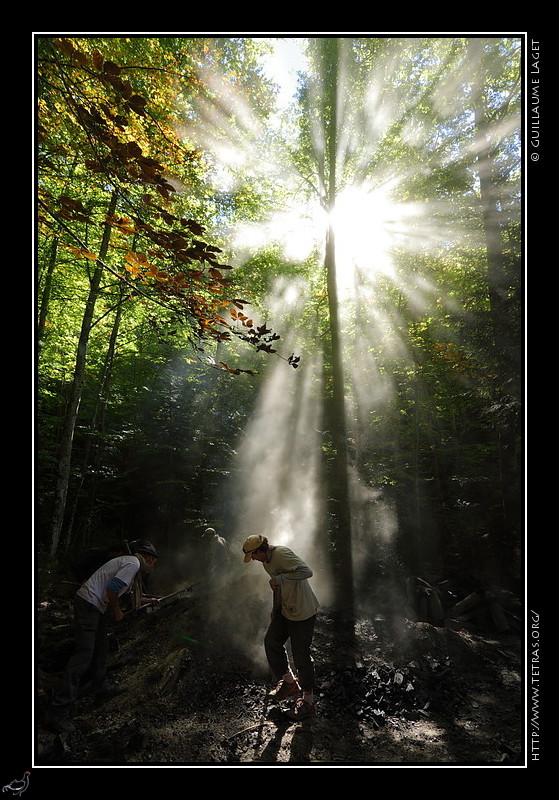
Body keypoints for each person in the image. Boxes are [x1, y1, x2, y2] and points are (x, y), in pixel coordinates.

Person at [46, 543, 159, 734]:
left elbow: (128, 594)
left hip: (95, 607)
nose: (153, 567)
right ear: (150, 559)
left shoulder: (130, 564)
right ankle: (58, 711)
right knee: (83, 655)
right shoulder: (133, 564)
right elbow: (113, 589)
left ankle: (100, 688)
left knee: (101, 649)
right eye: (154, 563)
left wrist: (149, 600)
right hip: (90, 604)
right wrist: (116, 611)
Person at [242, 534, 319, 721]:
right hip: (285, 609)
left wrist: (281, 579)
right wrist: (275, 609)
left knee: (300, 654)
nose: (253, 559)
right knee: (271, 642)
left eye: (253, 555)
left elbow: (307, 572)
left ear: (261, 550)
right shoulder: (266, 563)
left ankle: (308, 702)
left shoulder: (282, 553)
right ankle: (289, 682)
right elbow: (277, 587)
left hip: (303, 611)